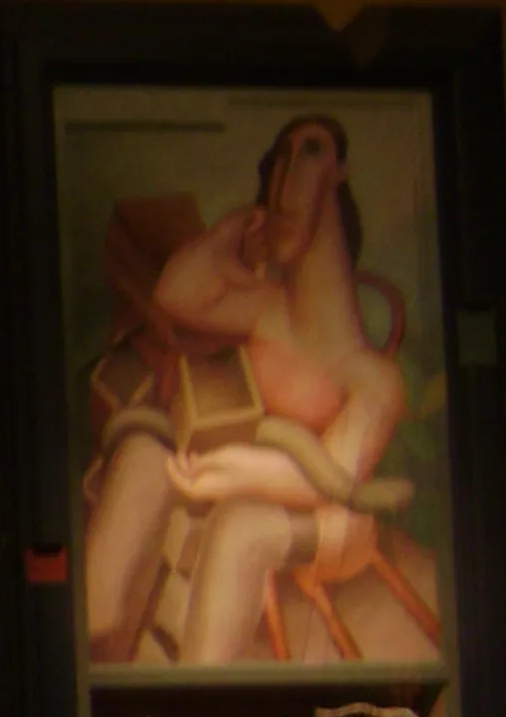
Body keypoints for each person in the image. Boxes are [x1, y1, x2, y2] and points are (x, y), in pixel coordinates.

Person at [83, 114, 411, 665]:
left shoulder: (373, 378)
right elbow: (175, 295)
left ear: (339, 170)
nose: (288, 175)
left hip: (331, 516)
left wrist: (234, 470)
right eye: (280, 158)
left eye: (310, 152)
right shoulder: (266, 313)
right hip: (230, 473)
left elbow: (332, 480)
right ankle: (96, 658)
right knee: (141, 456)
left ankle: (201, 695)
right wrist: (235, 225)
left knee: (241, 526)